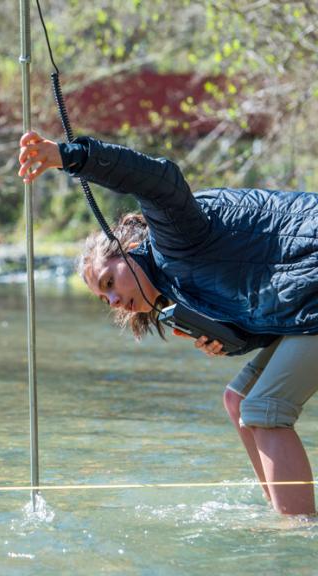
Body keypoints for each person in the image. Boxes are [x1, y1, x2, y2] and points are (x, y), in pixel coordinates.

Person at [18, 130, 318, 516]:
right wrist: (237, 340)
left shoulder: (175, 237)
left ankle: (299, 534)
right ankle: (282, 508)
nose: (112, 300)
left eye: (110, 281)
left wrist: (70, 157)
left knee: (264, 407)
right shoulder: (177, 286)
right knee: (239, 399)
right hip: (307, 302)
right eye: (103, 298)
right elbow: (272, 304)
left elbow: (159, 180)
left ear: (128, 248)